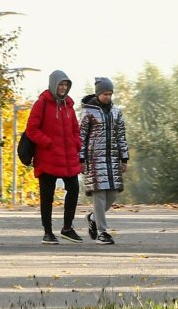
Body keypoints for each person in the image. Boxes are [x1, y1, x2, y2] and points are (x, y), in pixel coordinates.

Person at [25, 69, 83, 243]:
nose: (63, 88)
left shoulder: (69, 106)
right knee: (47, 196)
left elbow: (75, 129)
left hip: (68, 157)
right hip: (48, 157)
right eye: (61, 84)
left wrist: (76, 143)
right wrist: (47, 142)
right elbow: (31, 130)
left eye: (66, 85)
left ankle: (67, 228)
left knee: (74, 189)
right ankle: (48, 231)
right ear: (53, 84)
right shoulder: (41, 104)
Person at [78, 76, 129, 244]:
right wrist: (81, 158)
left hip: (113, 159)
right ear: (98, 93)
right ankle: (102, 232)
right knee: (99, 196)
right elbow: (82, 136)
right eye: (105, 93)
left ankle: (93, 218)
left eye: (110, 94)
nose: (108, 97)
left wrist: (124, 158)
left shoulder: (116, 112)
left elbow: (121, 135)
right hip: (94, 159)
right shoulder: (88, 111)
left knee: (113, 194)